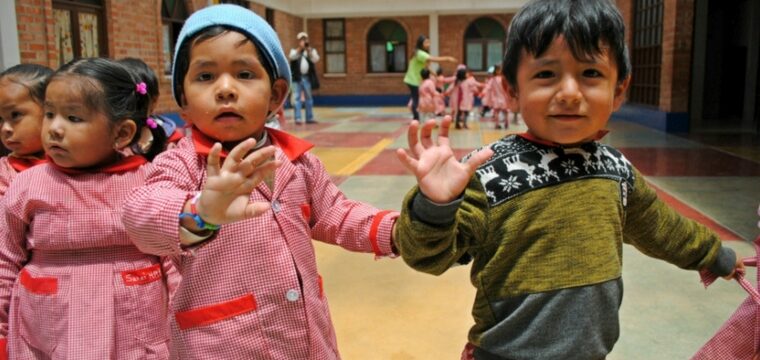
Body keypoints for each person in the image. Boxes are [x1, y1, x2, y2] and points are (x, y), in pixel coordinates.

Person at [393, 1, 743, 359]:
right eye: (546, 75)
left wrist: (713, 254)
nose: (570, 93)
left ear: (619, 89)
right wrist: (434, 207)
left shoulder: (616, 170)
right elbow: (426, 256)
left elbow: (662, 227)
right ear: (512, 90)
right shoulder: (488, 172)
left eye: (591, 73)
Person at [120, 5, 399, 359]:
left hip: (306, 340)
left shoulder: (298, 162)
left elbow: (338, 215)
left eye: (245, 74)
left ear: (277, 95)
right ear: (184, 101)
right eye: (205, 77)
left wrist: (398, 231)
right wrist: (202, 212)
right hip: (223, 345)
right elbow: (140, 215)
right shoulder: (182, 164)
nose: (225, 89)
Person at [0, 58, 170, 358]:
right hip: (46, 333)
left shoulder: (149, 183)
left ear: (121, 134)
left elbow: (173, 261)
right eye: (49, 114)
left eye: (73, 118)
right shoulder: (27, 185)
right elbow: (4, 261)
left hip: (135, 334)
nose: (54, 129)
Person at [0, 64, 52, 197]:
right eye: (0, 119)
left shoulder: (82, 161)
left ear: (50, 111)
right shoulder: (5, 172)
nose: (5, 128)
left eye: (15, 115)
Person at [118, 57, 184, 150]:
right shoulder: (104, 141)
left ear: (154, 102)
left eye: (138, 101)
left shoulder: (173, 141)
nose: (130, 108)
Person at [404, 35, 457, 120]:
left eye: (429, 42)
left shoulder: (420, 53)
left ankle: (417, 118)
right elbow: (434, 59)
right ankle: (416, 119)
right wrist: (447, 58)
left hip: (413, 79)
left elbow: (426, 66)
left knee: (416, 99)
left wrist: (434, 75)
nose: (428, 44)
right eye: (426, 42)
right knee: (416, 100)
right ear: (421, 43)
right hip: (412, 79)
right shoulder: (420, 53)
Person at [289, 31, 320, 124]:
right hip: (297, 78)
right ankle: (298, 118)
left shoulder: (311, 51)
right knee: (297, 98)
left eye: (305, 39)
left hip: (307, 78)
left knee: (309, 98)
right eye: (301, 40)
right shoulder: (294, 51)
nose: (303, 41)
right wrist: (300, 49)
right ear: (298, 41)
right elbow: (291, 57)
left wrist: (308, 51)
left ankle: (309, 118)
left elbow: (315, 59)